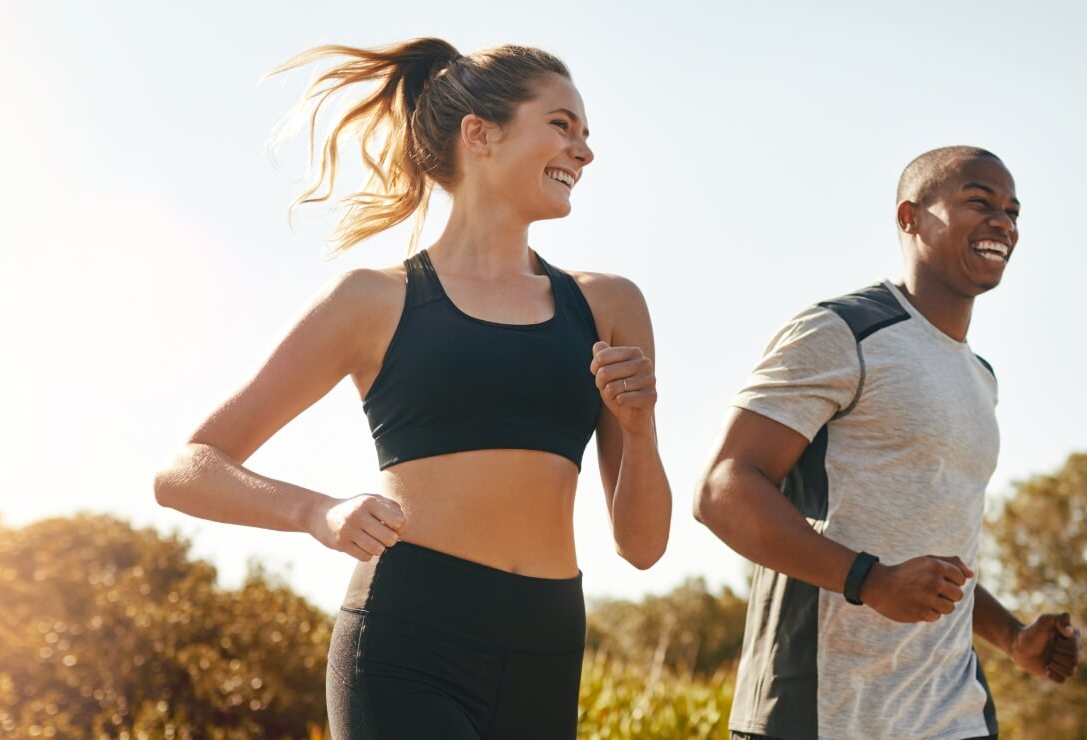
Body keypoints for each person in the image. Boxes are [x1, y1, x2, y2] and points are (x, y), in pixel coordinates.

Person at [152, 37, 671, 739]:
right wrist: (318, 513)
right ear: (480, 135)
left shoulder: (608, 305)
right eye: (561, 125)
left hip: (547, 646)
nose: (584, 151)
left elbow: (643, 546)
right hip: (409, 641)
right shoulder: (372, 300)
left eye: (586, 133)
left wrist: (637, 427)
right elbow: (186, 469)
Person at [694, 146, 1081, 739]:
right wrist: (870, 581)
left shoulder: (981, 378)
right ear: (910, 217)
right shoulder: (841, 330)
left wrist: (1013, 638)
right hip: (824, 710)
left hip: (951, 712)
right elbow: (723, 489)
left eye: (1012, 211)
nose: (1003, 222)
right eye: (979, 202)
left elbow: (933, 550)